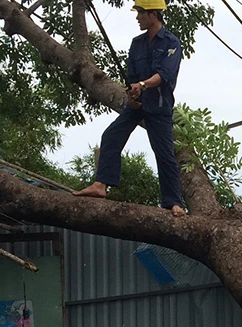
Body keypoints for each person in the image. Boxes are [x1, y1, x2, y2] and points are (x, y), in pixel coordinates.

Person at [74, 0, 186, 217]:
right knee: (111, 136)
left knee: (164, 154)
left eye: (141, 14)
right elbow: (132, 76)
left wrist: (142, 86)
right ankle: (101, 185)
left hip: (159, 106)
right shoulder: (137, 43)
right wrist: (132, 94)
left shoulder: (172, 43)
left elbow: (164, 75)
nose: (137, 18)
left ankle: (173, 203)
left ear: (153, 15)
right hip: (138, 104)